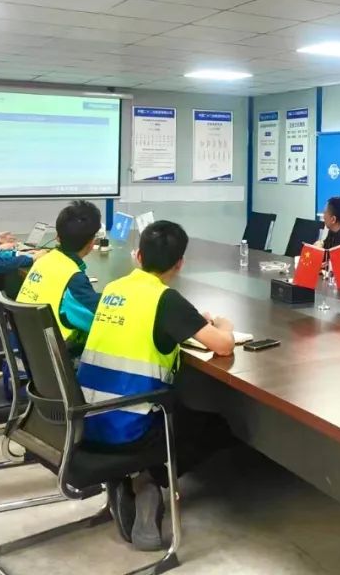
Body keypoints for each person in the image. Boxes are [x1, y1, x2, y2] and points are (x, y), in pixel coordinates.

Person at [77, 220, 235, 550]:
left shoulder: (113, 290)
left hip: (87, 418)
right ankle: (147, 479)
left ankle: (135, 479)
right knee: (219, 426)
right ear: (180, 264)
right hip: (130, 428)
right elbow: (222, 345)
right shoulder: (166, 300)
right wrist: (224, 324)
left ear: (138, 255)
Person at [16, 200, 101, 355]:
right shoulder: (73, 278)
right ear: (91, 243)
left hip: (28, 346)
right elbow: (99, 319)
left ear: (57, 237)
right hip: (56, 355)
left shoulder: (43, 260)